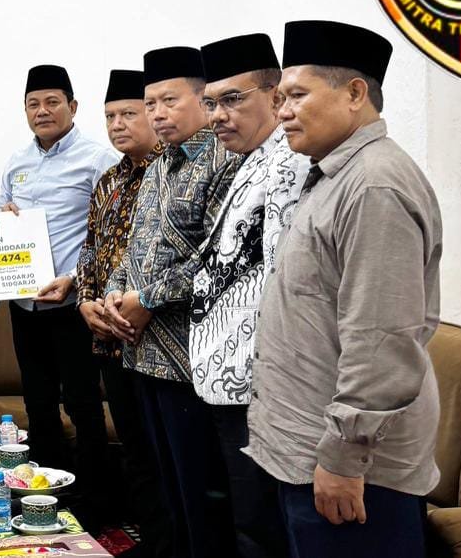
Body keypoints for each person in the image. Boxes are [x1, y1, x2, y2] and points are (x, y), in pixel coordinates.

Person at [245, 20, 442, 558]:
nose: (282, 112)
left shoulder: (374, 184)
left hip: (354, 471)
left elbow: (382, 341)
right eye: (280, 99)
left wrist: (343, 457)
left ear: (355, 93)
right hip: (309, 450)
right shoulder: (335, 175)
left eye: (297, 96)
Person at [103, 46, 241, 558]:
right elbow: (134, 246)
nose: (157, 113)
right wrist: (114, 295)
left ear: (204, 100)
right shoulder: (160, 166)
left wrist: (146, 299)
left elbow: (220, 258)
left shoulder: (226, 162)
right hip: (142, 354)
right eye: (151, 104)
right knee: (168, 492)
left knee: (204, 497)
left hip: (192, 359)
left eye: (168, 101)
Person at [188, 33, 308, 557]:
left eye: (232, 100)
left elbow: (286, 278)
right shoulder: (256, 158)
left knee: (262, 529)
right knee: (247, 521)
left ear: (275, 95)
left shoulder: (289, 162)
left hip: (260, 385)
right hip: (232, 380)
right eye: (211, 103)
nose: (217, 115)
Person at [0, 64, 117, 531]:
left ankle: (95, 504)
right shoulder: (16, 162)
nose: (42, 111)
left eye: (52, 102)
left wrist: (73, 278)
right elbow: (0, 222)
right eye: (33, 104)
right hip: (25, 307)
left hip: (73, 306)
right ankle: (42, 499)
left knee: (84, 405)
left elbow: (107, 235)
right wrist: (2, 221)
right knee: (39, 404)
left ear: (73, 106)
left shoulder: (98, 160)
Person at [74, 69, 171, 556]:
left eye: (129, 113)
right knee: (134, 449)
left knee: (165, 453)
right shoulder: (110, 180)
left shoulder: (172, 171)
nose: (118, 124)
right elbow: (91, 249)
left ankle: (171, 544)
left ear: (153, 114)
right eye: (110, 116)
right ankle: (150, 541)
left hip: (160, 341)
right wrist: (85, 301)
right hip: (110, 339)